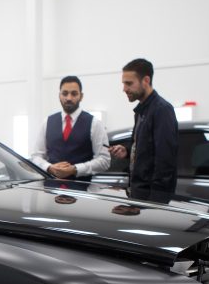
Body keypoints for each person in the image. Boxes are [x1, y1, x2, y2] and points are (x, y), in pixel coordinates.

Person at [108, 58, 178, 202]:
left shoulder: (161, 110)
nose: (124, 89)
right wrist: (127, 150)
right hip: (138, 195)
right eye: (123, 84)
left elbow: (165, 162)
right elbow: (146, 149)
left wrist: (155, 204)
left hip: (151, 200)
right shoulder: (141, 111)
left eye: (129, 83)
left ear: (146, 80)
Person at [32, 76, 110, 181]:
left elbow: (104, 160)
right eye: (65, 93)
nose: (69, 98)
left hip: (82, 190)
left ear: (81, 96)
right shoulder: (47, 122)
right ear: (59, 95)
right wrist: (49, 167)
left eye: (74, 94)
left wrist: (75, 169)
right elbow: (36, 156)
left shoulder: (95, 124)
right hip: (51, 190)